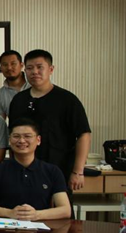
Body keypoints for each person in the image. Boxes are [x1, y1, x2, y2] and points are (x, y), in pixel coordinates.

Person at [8, 49, 91, 191]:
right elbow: (13, 135)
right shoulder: (18, 100)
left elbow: (84, 134)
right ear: (25, 71)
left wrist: (78, 171)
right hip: (23, 171)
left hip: (59, 170)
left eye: (40, 67)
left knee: (59, 204)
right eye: (30, 68)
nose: (34, 72)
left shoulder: (67, 100)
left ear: (51, 69)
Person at [0, 119, 71, 221]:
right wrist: (10, 213)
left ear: (38, 140)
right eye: (16, 136)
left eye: (27, 136)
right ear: (9, 140)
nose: (22, 140)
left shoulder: (52, 171)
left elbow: (65, 210)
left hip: (41, 227)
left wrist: (36, 215)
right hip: (6, 226)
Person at [0, 50, 30, 118]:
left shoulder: (34, 86)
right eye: (5, 65)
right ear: (1, 67)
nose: (9, 68)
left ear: (21, 65)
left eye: (13, 63)